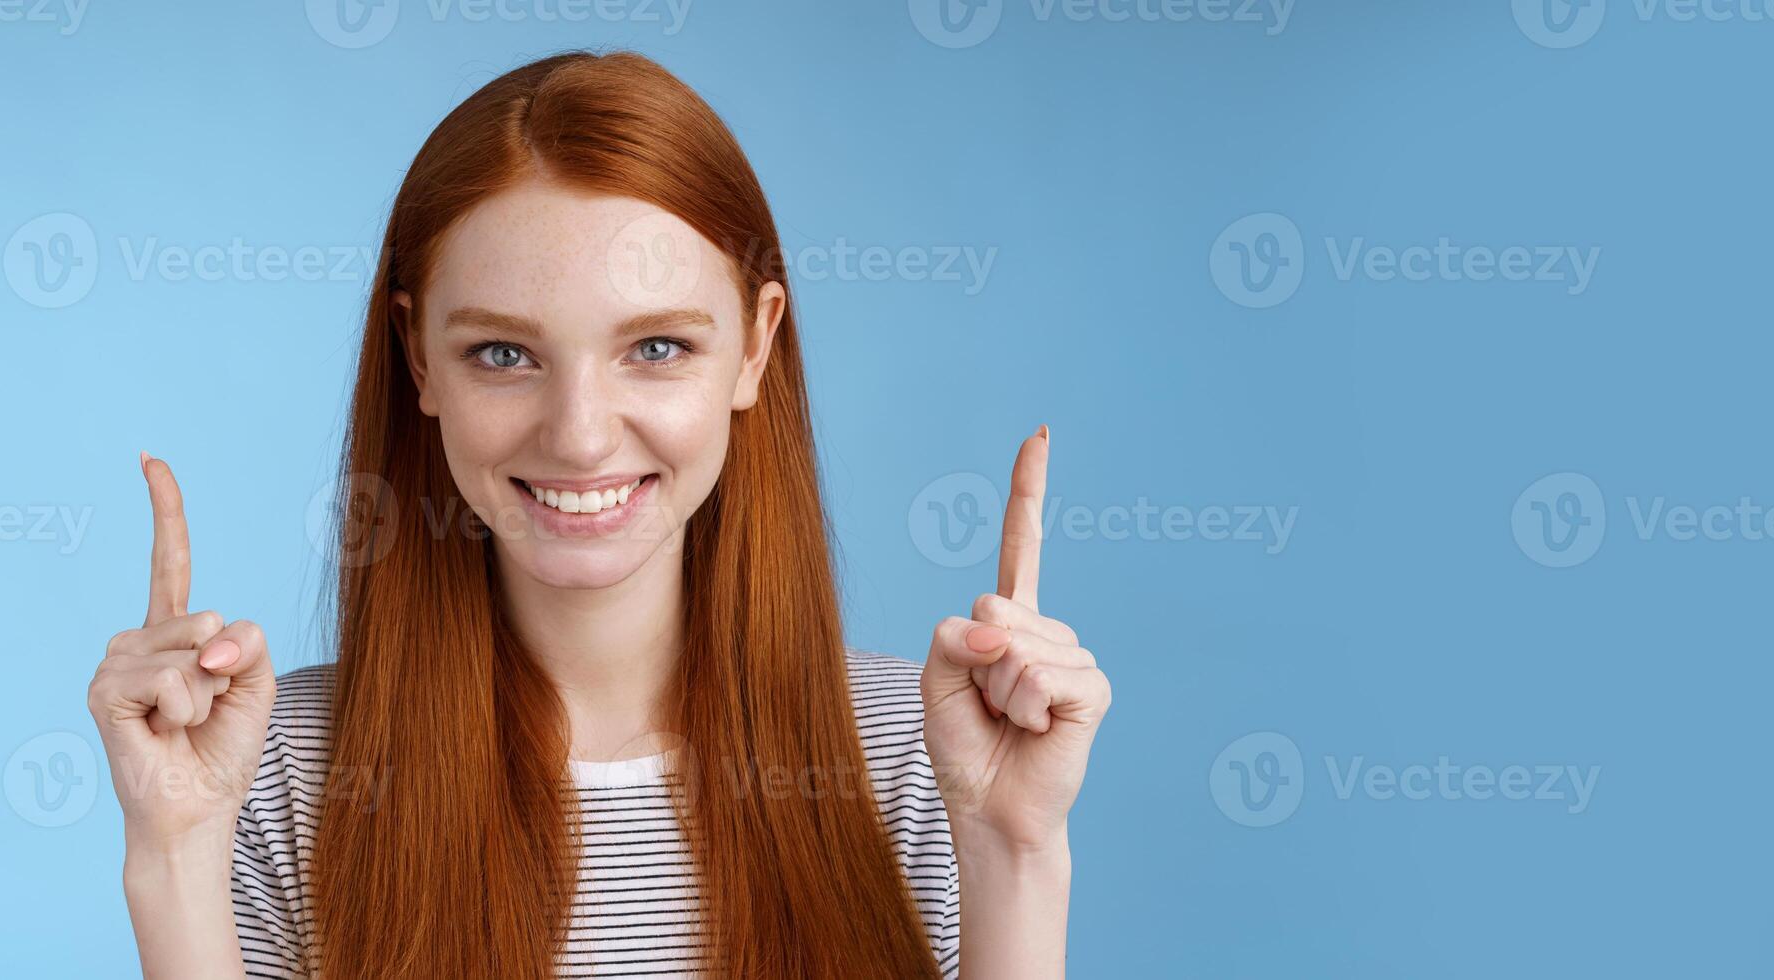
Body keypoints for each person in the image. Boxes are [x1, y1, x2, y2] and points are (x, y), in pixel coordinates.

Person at [87, 50, 1111, 979]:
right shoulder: (274, 766)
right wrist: (172, 854)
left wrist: (1014, 852)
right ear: (417, 359)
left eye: (656, 347)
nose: (578, 436)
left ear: (753, 347)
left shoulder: (914, 751)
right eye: (502, 353)